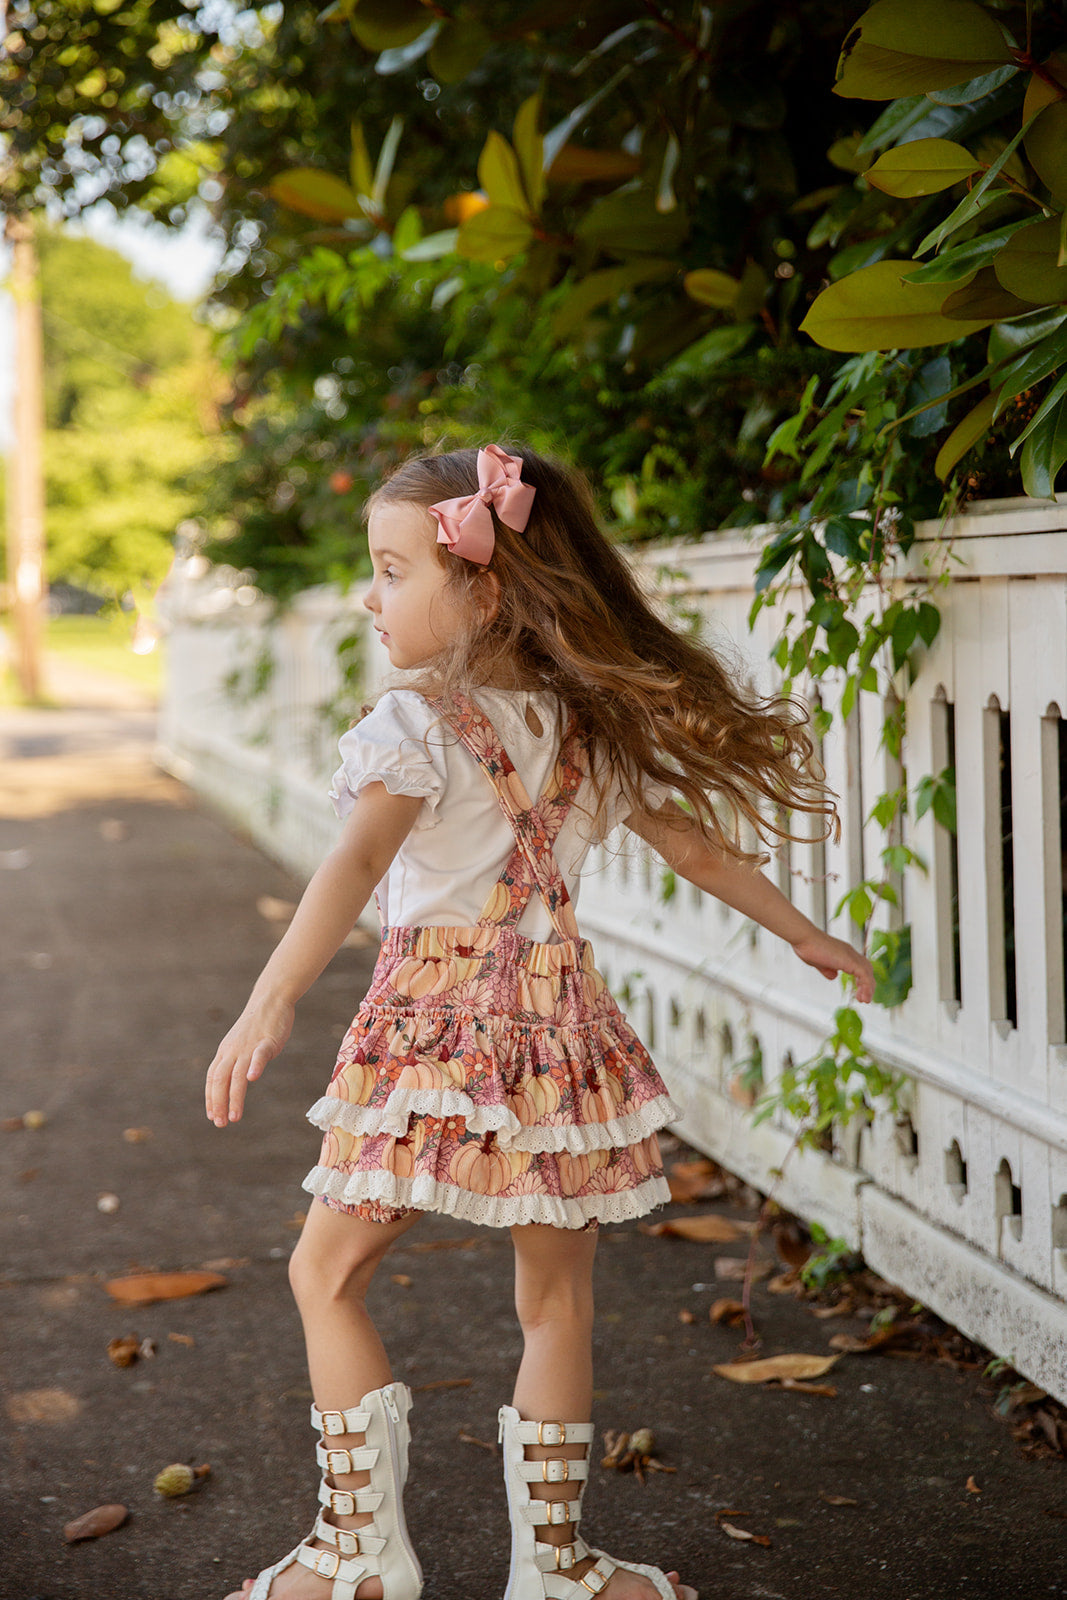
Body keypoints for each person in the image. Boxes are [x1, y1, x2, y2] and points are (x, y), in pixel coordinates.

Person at [205, 443, 874, 1600]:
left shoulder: (413, 722)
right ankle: (554, 1566)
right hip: (559, 1031)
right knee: (556, 1298)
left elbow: (356, 863)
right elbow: (693, 847)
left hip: (427, 1034)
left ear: (486, 587)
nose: (372, 595)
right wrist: (796, 930)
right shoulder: (585, 726)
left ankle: (359, 1556)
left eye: (392, 567)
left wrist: (267, 1000)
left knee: (327, 1271)